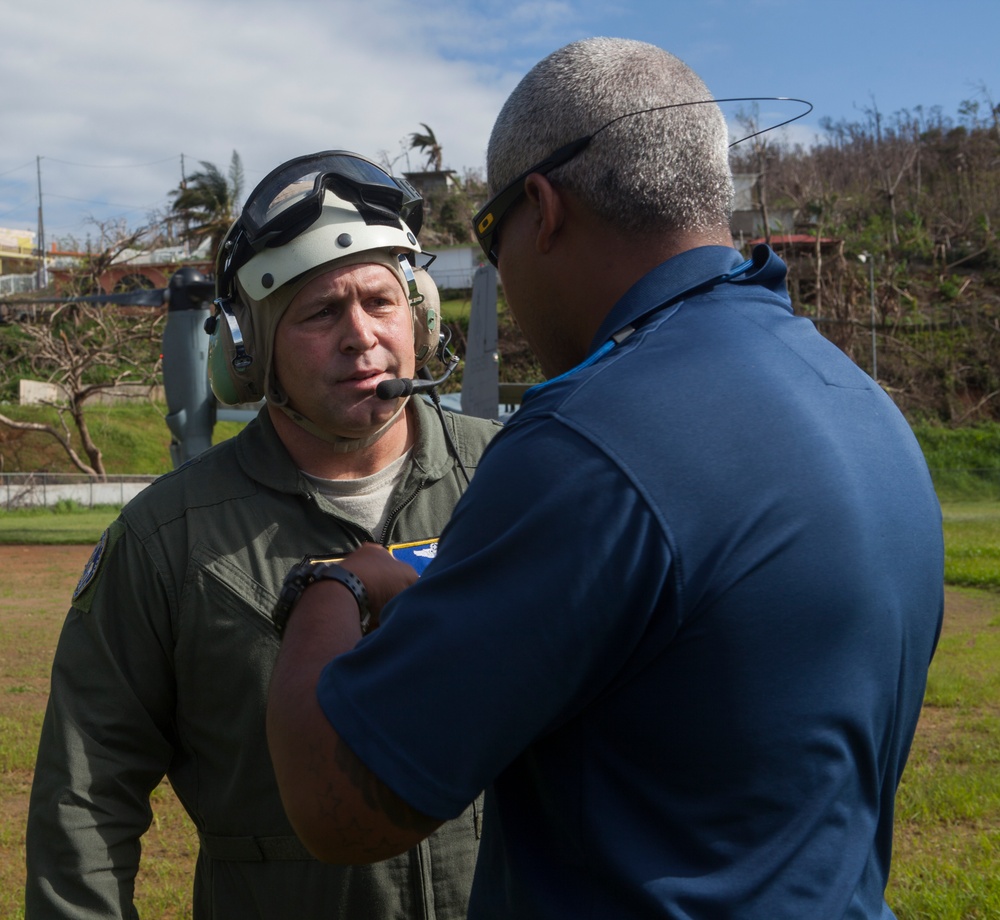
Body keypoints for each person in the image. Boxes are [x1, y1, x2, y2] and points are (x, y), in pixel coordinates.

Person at [265, 39, 946, 919]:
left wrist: (335, 583)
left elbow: (340, 805)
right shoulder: (860, 403)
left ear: (541, 209)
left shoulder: (587, 445)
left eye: (489, 235)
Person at [25, 150, 500, 919]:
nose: (361, 336)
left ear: (419, 315)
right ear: (247, 353)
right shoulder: (166, 541)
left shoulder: (518, 479)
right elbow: (84, 799)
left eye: (380, 302)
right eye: (319, 313)